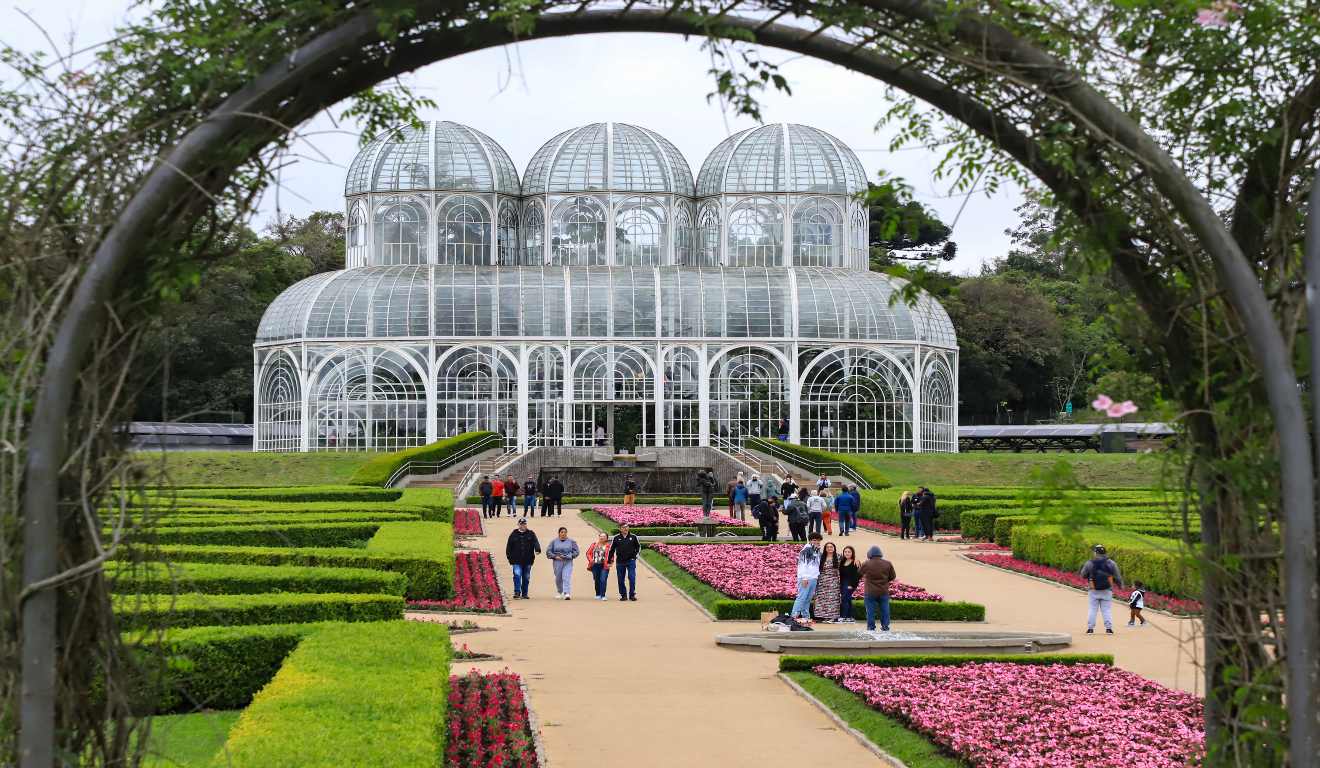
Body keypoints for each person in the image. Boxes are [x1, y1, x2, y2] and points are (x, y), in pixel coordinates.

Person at [1081, 544, 1123, 634]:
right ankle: (1109, 629)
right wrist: (1120, 586)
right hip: (1107, 590)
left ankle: (1090, 629)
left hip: (1093, 589)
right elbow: (1117, 577)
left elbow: (1083, 575)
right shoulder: (1111, 563)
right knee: (1106, 609)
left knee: (1092, 609)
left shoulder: (1090, 562)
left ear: (1096, 553)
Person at [859, 545, 897, 632]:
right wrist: (884, 580)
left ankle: (871, 627)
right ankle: (885, 627)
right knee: (885, 610)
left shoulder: (866, 563)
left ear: (870, 554)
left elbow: (859, 573)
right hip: (883, 591)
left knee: (870, 611)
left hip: (870, 591)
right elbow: (892, 576)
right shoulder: (888, 563)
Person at [505, 518, 541, 599]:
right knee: (517, 575)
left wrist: (537, 549)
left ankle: (525, 593)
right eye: (521, 524)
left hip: (528, 560)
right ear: (518, 525)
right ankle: (517, 592)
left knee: (526, 577)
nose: (523, 525)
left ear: (526, 524)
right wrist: (509, 558)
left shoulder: (531, 534)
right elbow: (509, 547)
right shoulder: (513, 534)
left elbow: (536, 542)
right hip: (516, 560)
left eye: (524, 524)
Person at [791, 532, 823, 622]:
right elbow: (802, 565)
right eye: (814, 540)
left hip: (813, 578)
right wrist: (804, 577)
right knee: (801, 597)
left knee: (808, 599)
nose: (816, 542)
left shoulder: (816, 550)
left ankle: (806, 617)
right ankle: (793, 616)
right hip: (806, 578)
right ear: (810, 541)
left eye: (818, 540)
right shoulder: (806, 550)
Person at [609, 523, 641, 601]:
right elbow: (612, 549)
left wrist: (634, 557)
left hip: (631, 561)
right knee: (620, 579)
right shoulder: (616, 538)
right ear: (620, 529)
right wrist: (609, 560)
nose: (625, 529)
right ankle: (623, 595)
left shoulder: (633, 537)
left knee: (632, 578)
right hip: (620, 562)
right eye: (623, 527)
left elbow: (638, 547)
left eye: (627, 527)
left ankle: (632, 594)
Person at [545, 526, 580, 600]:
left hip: (568, 561)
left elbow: (577, 551)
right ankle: (560, 592)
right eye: (562, 532)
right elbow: (548, 551)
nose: (563, 534)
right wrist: (555, 556)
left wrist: (571, 556)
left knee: (566, 577)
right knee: (558, 578)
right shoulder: (554, 542)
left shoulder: (571, 541)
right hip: (557, 561)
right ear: (559, 533)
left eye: (565, 532)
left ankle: (567, 593)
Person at [813, 541, 843, 623]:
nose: (829, 548)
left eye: (831, 547)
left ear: (834, 548)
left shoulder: (839, 556)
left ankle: (833, 617)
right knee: (823, 599)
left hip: (834, 581)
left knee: (833, 599)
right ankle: (824, 617)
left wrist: (856, 560)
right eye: (828, 547)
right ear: (825, 549)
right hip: (823, 581)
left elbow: (848, 561)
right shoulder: (822, 557)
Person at [585, 532, 612, 600]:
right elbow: (588, 553)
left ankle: (603, 595)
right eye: (601, 536)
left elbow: (611, 555)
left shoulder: (609, 546)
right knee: (596, 579)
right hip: (595, 565)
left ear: (606, 538)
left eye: (604, 536)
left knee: (603, 579)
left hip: (604, 565)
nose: (602, 537)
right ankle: (598, 594)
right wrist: (591, 560)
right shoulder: (594, 545)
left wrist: (610, 562)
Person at [839, 545, 860, 622]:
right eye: (845, 552)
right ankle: (850, 617)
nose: (847, 553)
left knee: (844, 599)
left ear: (852, 553)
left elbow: (857, 575)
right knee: (848, 599)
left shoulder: (855, 562)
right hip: (843, 583)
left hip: (850, 583)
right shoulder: (842, 561)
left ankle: (844, 616)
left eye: (849, 552)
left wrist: (852, 585)